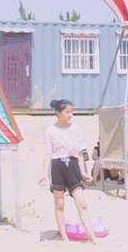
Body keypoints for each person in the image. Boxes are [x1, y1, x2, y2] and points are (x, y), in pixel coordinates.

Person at [39, 99, 97, 242]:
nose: (71, 115)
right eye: (67, 112)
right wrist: (44, 175)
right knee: (59, 204)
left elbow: (80, 153)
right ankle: (64, 236)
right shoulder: (49, 131)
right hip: (57, 167)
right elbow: (48, 153)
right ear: (58, 113)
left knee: (82, 204)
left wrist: (83, 172)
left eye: (72, 112)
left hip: (73, 166)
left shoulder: (76, 129)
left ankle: (91, 235)